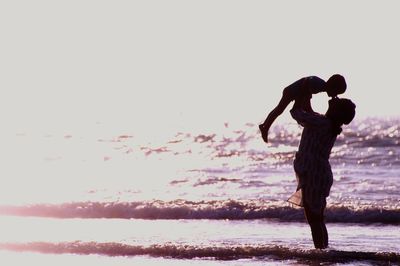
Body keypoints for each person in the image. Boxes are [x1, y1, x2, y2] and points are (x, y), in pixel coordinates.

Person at [288, 96, 356, 249]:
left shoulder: (321, 122)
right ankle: (323, 250)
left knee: (314, 219)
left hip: (313, 173)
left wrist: (301, 92)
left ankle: (321, 252)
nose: (335, 98)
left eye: (338, 101)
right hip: (318, 173)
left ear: (336, 111)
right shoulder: (325, 123)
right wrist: (307, 97)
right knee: (317, 218)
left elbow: (297, 114)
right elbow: (308, 114)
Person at [259, 74, 347, 143]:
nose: (335, 96)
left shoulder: (321, 87)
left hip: (295, 91)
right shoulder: (319, 85)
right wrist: (298, 104)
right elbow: (305, 85)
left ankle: (265, 126)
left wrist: (308, 108)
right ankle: (265, 127)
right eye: (336, 92)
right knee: (279, 110)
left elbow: (307, 94)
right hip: (290, 91)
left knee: (279, 110)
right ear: (332, 86)